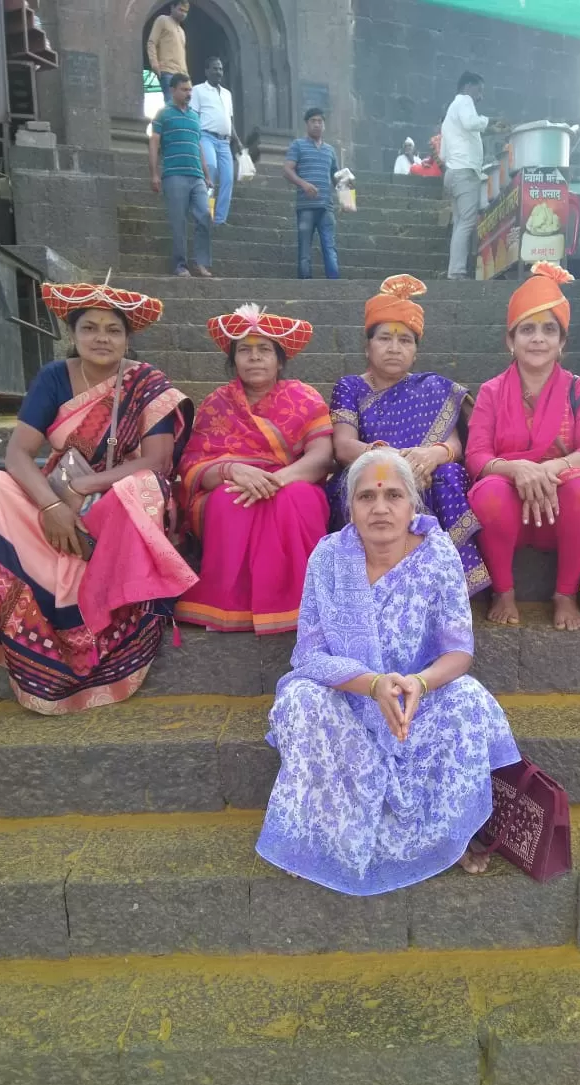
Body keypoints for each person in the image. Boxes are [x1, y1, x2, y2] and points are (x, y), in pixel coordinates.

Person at [255, 450, 521, 895]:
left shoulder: (438, 556)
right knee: (301, 698)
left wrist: (417, 683)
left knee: (469, 697)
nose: (380, 507)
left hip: (414, 702)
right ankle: (322, 839)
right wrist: (372, 685)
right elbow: (310, 654)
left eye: (393, 495)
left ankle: (447, 835)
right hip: (349, 698)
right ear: (350, 508)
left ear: (412, 505)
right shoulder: (329, 557)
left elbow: (458, 651)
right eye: (367, 497)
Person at [0, 282, 196, 714]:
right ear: (74, 334)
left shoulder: (147, 383)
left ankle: (106, 604)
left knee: (134, 487)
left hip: (117, 506)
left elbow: (157, 462)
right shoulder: (54, 377)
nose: (101, 338)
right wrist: (52, 506)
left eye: (112, 330)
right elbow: (18, 452)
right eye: (90, 328)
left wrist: (83, 488)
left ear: (128, 339)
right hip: (56, 502)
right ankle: (41, 589)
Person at [175, 305, 334, 634]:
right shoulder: (216, 403)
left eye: (264, 349)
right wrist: (232, 471)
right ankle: (226, 607)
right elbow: (192, 464)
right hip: (232, 483)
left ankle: (304, 605)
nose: (255, 357)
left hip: (291, 481)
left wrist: (275, 481)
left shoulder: (305, 397)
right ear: (233, 360)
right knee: (226, 500)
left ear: (280, 359)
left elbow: (321, 457)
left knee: (299, 498)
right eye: (244, 350)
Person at [466, 263, 580, 630]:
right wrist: (515, 469)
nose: (538, 338)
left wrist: (550, 469)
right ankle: (503, 590)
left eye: (549, 329)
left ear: (562, 341)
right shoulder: (491, 391)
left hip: (560, 505)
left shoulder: (579, 388)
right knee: (488, 493)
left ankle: (565, 593)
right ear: (510, 340)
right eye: (526, 329)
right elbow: (477, 455)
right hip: (508, 507)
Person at [327, 274, 489, 595]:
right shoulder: (351, 387)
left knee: (450, 474)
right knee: (374, 483)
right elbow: (344, 447)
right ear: (368, 345)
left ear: (415, 350)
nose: (394, 348)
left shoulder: (434, 387)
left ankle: (448, 584)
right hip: (373, 470)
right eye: (384, 338)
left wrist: (433, 455)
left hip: (426, 471)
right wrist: (393, 461)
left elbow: (455, 441)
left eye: (405, 341)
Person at [441, 72, 507, 279]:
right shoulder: (464, 101)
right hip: (465, 172)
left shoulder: (450, 115)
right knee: (467, 222)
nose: (480, 97)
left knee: (460, 223)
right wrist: (490, 121)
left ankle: (454, 270)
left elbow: (443, 154)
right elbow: (471, 122)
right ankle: (457, 272)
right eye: (480, 90)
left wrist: (487, 129)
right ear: (468, 87)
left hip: (452, 173)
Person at [149, 73, 213, 278]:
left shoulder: (195, 116)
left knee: (204, 216)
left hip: (197, 176)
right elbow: (154, 142)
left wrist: (206, 173)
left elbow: (198, 145)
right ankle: (180, 265)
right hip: (174, 175)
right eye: (184, 89)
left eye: (190, 89)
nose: (189, 93)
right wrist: (154, 173)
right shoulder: (163, 114)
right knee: (179, 222)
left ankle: (201, 264)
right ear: (173, 90)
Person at [283, 107, 340, 280]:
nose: (316, 124)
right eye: (313, 121)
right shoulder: (298, 145)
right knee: (304, 248)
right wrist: (303, 184)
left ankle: (335, 283)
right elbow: (287, 170)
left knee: (329, 246)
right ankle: (305, 284)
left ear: (324, 125)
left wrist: (347, 195)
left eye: (320, 121)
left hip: (326, 206)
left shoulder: (330, 150)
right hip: (305, 206)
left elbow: (336, 177)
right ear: (307, 124)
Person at [189, 56, 242, 226]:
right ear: (206, 71)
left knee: (228, 178)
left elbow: (229, 120)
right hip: (206, 136)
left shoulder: (227, 94)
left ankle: (220, 219)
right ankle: (207, 212)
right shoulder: (198, 90)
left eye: (220, 69)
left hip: (225, 141)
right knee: (210, 168)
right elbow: (194, 116)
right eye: (215, 68)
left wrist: (237, 139)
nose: (218, 72)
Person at [146, 0, 189, 104]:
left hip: (182, 74)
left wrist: (188, 78)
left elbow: (182, 56)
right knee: (172, 104)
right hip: (167, 71)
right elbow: (151, 42)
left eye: (186, 11)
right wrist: (154, 64)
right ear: (172, 7)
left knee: (183, 106)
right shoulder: (163, 20)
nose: (183, 13)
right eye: (180, 10)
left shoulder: (182, 31)